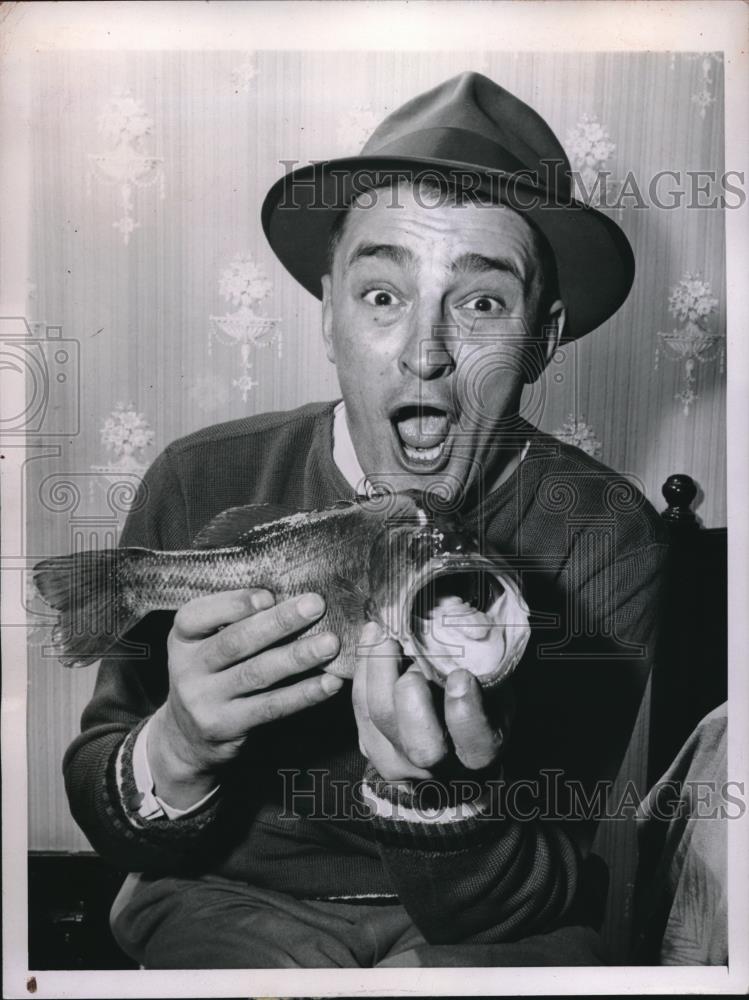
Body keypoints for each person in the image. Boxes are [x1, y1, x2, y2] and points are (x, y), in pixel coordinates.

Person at [63, 72, 668, 968]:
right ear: (328, 315)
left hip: (483, 930)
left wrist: (429, 796)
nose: (424, 355)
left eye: (483, 304)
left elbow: (545, 873)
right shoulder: (201, 478)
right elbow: (121, 821)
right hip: (227, 900)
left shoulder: (603, 530)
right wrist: (182, 746)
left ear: (541, 339)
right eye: (382, 295)